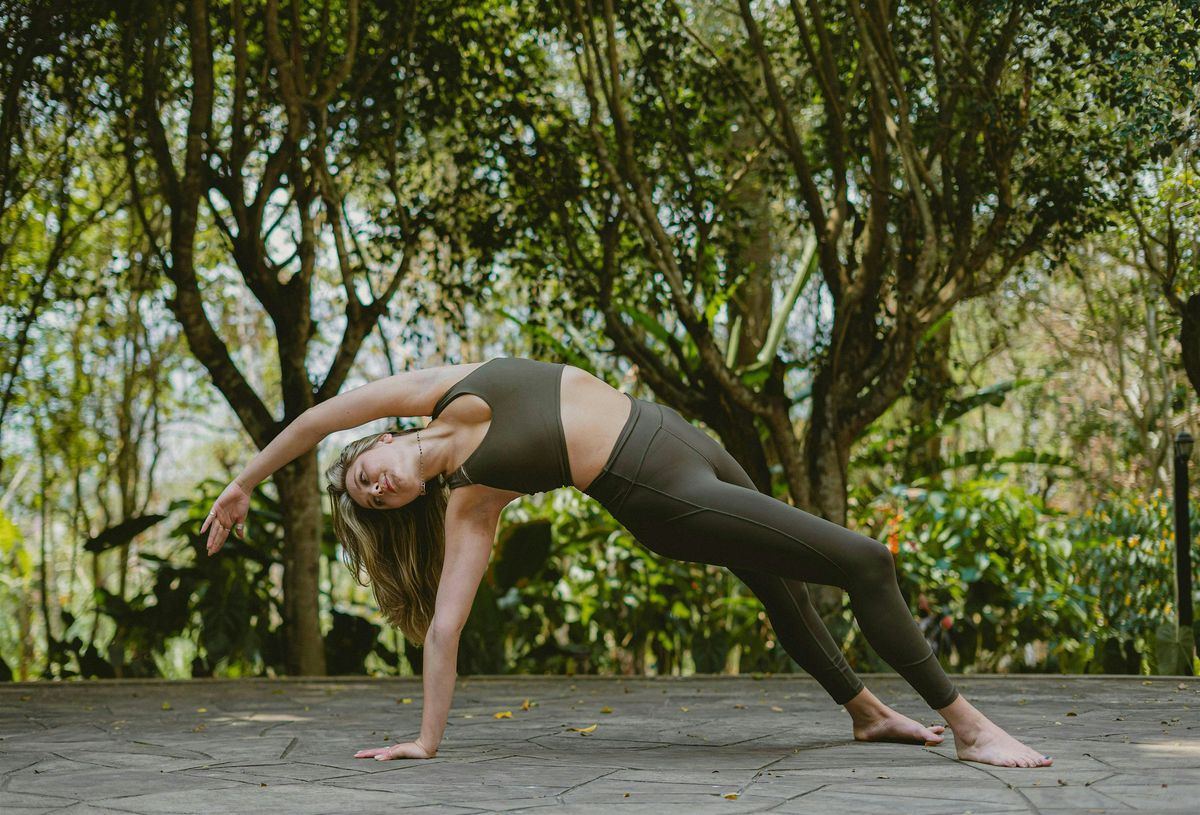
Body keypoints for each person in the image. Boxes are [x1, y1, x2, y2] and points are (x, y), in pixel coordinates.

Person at [202, 356, 1052, 768]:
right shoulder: (473, 499)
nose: (380, 486)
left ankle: (865, 711)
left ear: (380, 441)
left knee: (780, 580)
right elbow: (447, 626)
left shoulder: (443, 385)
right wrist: (426, 741)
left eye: (368, 472)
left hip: (680, 436)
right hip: (659, 494)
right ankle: (970, 728)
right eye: (377, 500)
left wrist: (245, 481)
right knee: (863, 560)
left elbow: (317, 417)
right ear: (407, 506)